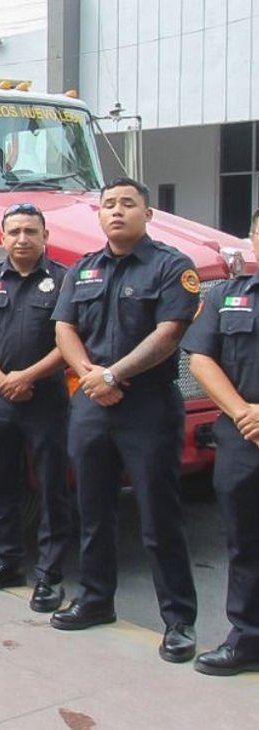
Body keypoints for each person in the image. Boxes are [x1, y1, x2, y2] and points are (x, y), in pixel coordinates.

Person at [50, 177, 200, 664]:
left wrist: (113, 374)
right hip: (92, 404)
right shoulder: (84, 270)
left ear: (148, 214)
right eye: (109, 204)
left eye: (128, 204)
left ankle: (178, 621)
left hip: (147, 406)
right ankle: (95, 599)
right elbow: (64, 327)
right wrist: (89, 375)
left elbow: (170, 332)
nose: (117, 211)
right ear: (99, 215)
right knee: (93, 510)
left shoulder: (170, 267)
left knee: (159, 517)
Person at [0, 204, 70, 611]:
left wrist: (27, 377)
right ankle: (7, 562)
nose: (22, 239)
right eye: (14, 232)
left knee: (51, 488)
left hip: (45, 399)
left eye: (30, 231)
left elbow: (71, 342)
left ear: (45, 236)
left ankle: (50, 576)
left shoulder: (64, 281)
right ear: (2, 239)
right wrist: (2, 379)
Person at [182, 209, 259, 676]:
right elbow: (201, 359)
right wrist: (243, 411)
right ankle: (246, 637)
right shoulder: (229, 297)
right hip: (242, 437)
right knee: (245, 544)